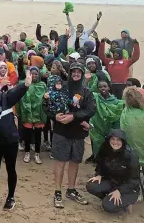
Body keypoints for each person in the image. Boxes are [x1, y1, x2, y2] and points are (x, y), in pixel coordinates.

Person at [44, 62, 96, 209]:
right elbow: (46, 105)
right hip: (62, 132)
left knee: (74, 162)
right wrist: (55, 116)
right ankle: (58, 192)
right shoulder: (61, 86)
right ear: (70, 72)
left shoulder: (86, 91)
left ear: (82, 73)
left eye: (79, 72)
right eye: (73, 71)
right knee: (60, 162)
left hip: (78, 133)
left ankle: (71, 190)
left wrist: (74, 116)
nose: (76, 74)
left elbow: (91, 110)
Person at [0, 68, 31, 211]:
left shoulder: (5, 97)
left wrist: (26, 83)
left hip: (10, 141)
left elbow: (18, 91)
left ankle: (11, 196)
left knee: (10, 169)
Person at [86, 129, 140, 213]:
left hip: (127, 188)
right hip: (112, 182)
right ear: (109, 140)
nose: (115, 142)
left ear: (123, 141)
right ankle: (109, 198)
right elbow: (100, 163)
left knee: (108, 207)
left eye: (118, 140)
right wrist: (99, 174)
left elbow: (134, 181)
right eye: (113, 139)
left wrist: (119, 191)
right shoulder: (105, 148)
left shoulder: (131, 155)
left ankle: (126, 202)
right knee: (91, 185)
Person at [16, 66, 47, 164]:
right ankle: (27, 152)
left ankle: (37, 153)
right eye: (32, 73)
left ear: (39, 75)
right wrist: (18, 113)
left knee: (38, 135)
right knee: (27, 134)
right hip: (27, 112)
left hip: (39, 113)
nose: (34, 76)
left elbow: (46, 99)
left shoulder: (42, 85)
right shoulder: (23, 84)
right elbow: (18, 99)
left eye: (36, 74)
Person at [88, 79, 123, 161]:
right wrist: (86, 80)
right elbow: (84, 91)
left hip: (110, 130)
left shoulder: (116, 102)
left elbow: (117, 117)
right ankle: (99, 170)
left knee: (110, 153)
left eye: (105, 86)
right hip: (97, 131)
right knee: (98, 153)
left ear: (109, 88)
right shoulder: (95, 97)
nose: (102, 88)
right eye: (100, 87)